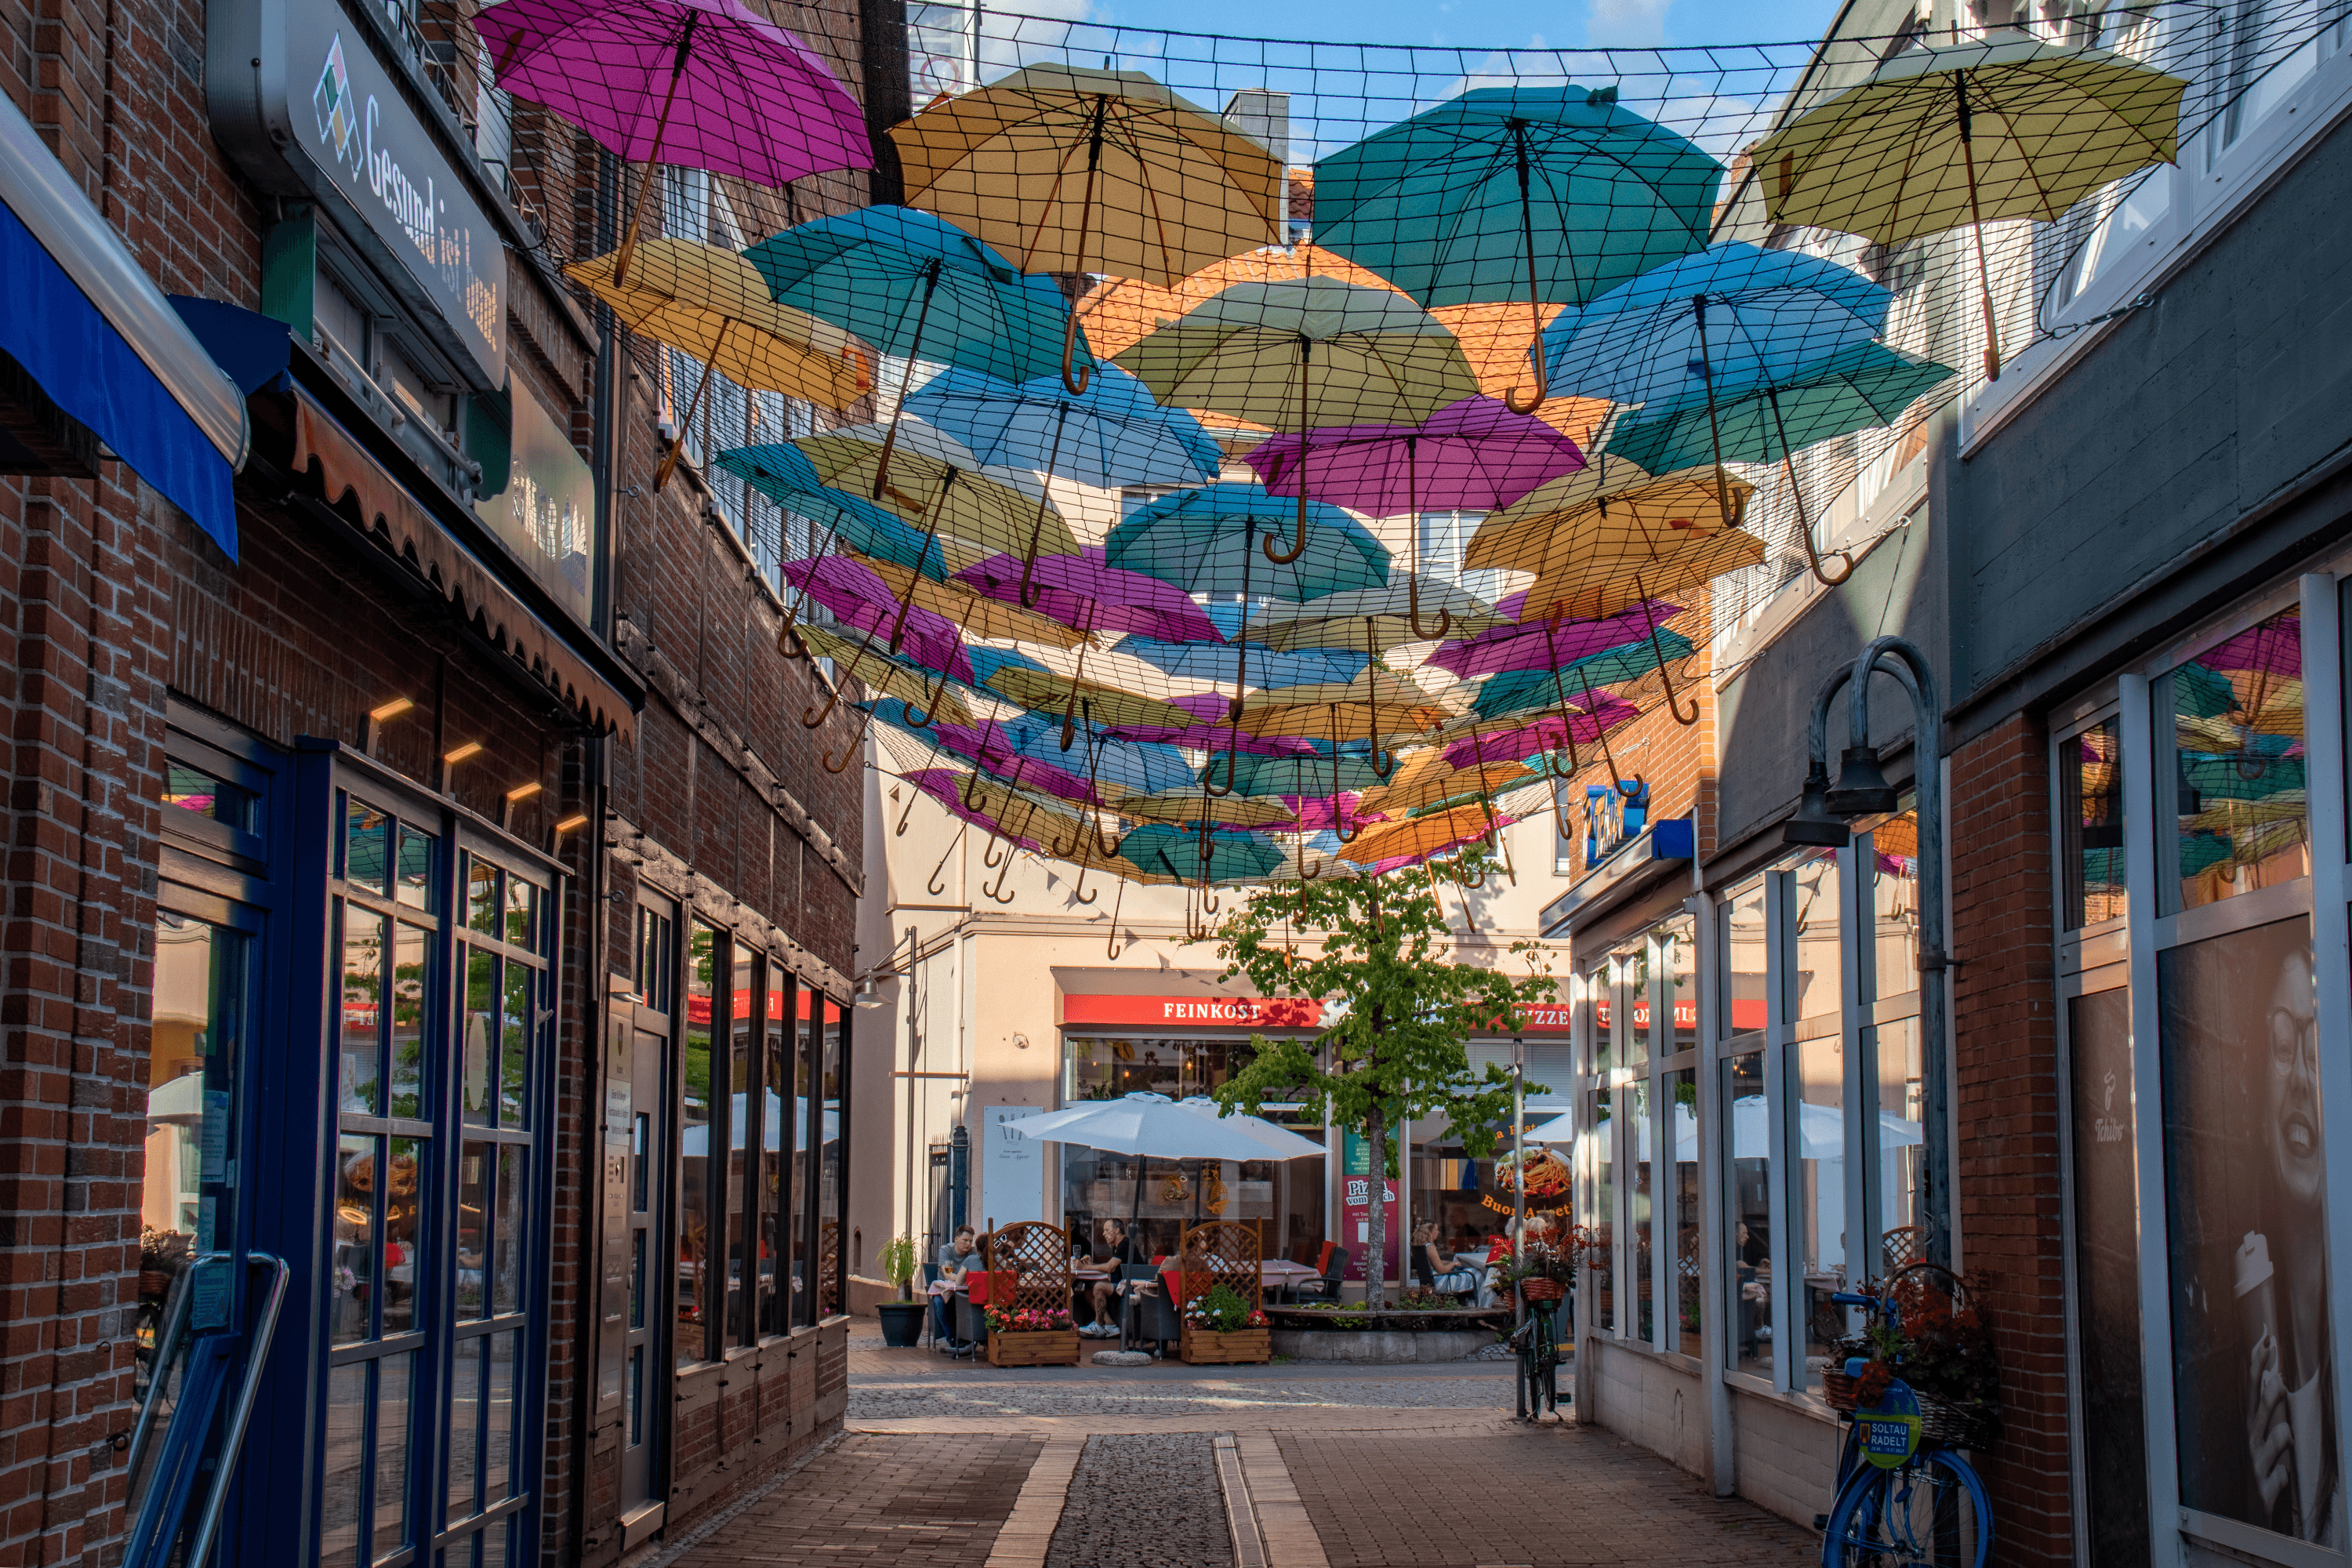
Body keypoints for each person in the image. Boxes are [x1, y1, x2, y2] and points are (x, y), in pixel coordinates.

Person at [2241, 946, 2338, 1544]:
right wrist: (2256, 1506)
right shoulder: (2255, 1343)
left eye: (2317, 1047)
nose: (2300, 1076)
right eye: (2282, 1047)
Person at [1076, 1218, 1141, 1338]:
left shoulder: (1126, 1244)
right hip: (1121, 1285)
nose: (1103, 1234)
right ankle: (1111, 1326)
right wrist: (1091, 1265)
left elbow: (1109, 1267)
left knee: (1099, 1286)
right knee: (1089, 1292)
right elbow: (1110, 1267)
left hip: (1132, 1288)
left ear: (1116, 1230)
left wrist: (1084, 1268)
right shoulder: (1117, 1247)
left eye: (1107, 1230)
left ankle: (1098, 1324)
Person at [931, 1226, 975, 1350]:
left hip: (964, 1291)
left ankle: (972, 1338)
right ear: (956, 1239)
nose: (968, 1244)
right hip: (945, 1291)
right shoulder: (946, 1251)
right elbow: (947, 1275)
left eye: (971, 1241)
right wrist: (963, 1279)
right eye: (965, 1240)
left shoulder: (973, 1252)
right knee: (939, 1302)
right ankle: (952, 1339)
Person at [1414, 1221, 1483, 1300]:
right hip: (1439, 1283)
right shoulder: (1430, 1247)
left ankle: (1472, 1304)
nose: (1438, 1232)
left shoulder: (1423, 1246)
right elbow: (1442, 1269)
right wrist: (1453, 1264)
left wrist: (1450, 1263)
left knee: (1471, 1272)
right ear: (1429, 1232)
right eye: (1435, 1230)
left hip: (1431, 1282)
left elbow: (1435, 1262)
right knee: (1476, 1273)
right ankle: (1481, 1304)